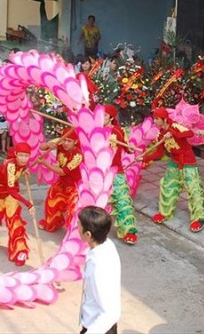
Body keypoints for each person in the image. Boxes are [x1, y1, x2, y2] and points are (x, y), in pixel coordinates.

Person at [144, 108, 204, 233]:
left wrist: (173, 133)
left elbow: (189, 133)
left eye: (157, 119)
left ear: (164, 119)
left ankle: (199, 217)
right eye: (154, 119)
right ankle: (165, 212)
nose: (155, 121)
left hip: (188, 161)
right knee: (168, 185)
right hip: (174, 161)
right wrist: (144, 158)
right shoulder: (161, 134)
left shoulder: (175, 126)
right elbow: (159, 153)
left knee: (193, 188)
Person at [78, 206, 121, 334]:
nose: (76, 227)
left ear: (88, 234)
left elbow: (111, 313)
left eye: (79, 225)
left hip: (98, 328)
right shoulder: (107, 244)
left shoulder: (97, 267)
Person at [37, 128, 83, 232]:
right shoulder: (60, 142)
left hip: (74, 187)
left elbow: (63, 172)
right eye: (65, 140)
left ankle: (73, 233)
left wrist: (45, 163)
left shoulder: (78, 156)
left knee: (73, 211)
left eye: (69, 141)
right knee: (52, 202)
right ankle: (54, 223)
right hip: (61, 183)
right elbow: (41, 147)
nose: (65, 143)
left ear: (75, 142)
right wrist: (49, 144)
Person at [104, 105, 138, 245]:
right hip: (99, 172)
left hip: (116, 171)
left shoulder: (118, 131)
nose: (101, 118)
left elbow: (127, 148)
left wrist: (131, 149)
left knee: (122, 201)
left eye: (105, 116)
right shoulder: (95, 130)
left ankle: (129, 231)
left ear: (111, 117)